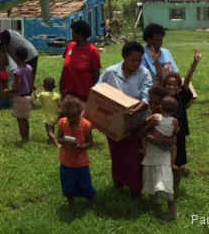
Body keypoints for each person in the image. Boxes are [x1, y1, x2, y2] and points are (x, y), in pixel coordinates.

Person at [95, 41, 152, 197]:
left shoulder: (144, 73)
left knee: (134, 159)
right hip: (114, 124)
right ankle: (119, 183)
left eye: (139, 60)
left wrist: (135, 110)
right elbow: (98, 91)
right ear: (125, 57)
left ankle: (136, 189)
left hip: (135, 123)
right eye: (133, 60)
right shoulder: (110, 72)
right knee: (117, 155)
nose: (136, 63)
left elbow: (147, 98)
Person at [163, 49, 201, 194]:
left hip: (180, 135)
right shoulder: (163, 99)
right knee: (166, 161)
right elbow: (161, 78)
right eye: (168, 85)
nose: (171, 87)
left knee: (178, 162)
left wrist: (194, 63)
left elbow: (187, 80)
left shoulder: (181, 96)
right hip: (166, 135)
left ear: (179, 88)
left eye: (175, 85)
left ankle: (176, 186)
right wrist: (155, 61)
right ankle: (167, 185)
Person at [140, 95, 179, 219]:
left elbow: (143, 122)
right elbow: (175, 132)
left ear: (160, 107)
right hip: (160, 152)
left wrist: (152, 126)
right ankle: (160, 202)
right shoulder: (174, 121)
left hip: (154, 150)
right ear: (175, 110)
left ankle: (169, 206)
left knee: (158, 176)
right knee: (162, 176)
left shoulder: (156, 116)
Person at [55, 96, 96, 206]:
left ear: (79, 113)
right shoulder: (62, 123)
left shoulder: (86, 124)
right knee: (68, 184)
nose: (71, 119)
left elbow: (90, 142)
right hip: (66, 161)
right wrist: (64, 141)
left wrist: (81, 146)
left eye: (74, 116)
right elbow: (59, 138)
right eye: (69, 116)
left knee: (85, 183)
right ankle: (71, 203)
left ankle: (92, 202)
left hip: (81, 162)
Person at [59, 20, 101, 101]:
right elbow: (65, 68)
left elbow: (96, 74)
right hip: (68, 94)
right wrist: (61, 86)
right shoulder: (70, 46)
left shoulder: (92, 51)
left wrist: (95, 95)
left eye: (73, 32)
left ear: (80, 34)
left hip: (84, 95)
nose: (71, 34)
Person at [0, 46, 34, 141]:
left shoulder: (17, 71)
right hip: (28, 96)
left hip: (20, 98)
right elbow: (31, 82)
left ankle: (24, 138)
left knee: (20, 120)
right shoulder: (29, 67)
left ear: (17, 57)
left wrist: (8, 91)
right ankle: (27, 136)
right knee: (25, 119)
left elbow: (18, 86)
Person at [34, 77, 62, 144]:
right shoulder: (57, 95)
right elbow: (59, 105)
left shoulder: (42, 95)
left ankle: (56, 142)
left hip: (48, 117)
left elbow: (36, 96)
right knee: (52, 127)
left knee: (49, 131)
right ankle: (51, 140)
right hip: (56, 116)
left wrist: (35, 90)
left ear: (44, 86)